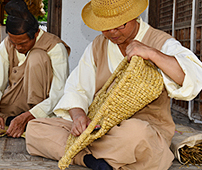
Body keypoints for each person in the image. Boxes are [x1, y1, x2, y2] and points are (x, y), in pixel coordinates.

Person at [25, 0, 202, 169]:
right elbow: (77, 88)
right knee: (35, 129)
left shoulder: (159, 41)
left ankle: (80, 152)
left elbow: (194, 77)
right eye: (106, 27)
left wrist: (152, 53)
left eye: (120, 25)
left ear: (134, 16)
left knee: (136, 135)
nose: (112, 32)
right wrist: (79, 116)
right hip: (99, 127)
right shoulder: (97, 46)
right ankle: (90, 160)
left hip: (141, 131)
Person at [0, 0, 70, 137]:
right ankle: (10, 121)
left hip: (41, 109)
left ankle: (30, 121)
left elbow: (59, 93)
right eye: (14, 43)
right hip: (13, 104)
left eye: (22, 43)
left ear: (36, 34)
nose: (18, 47)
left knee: (37, 57)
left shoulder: (54, 47)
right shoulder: (8, 43)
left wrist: (30, 115)